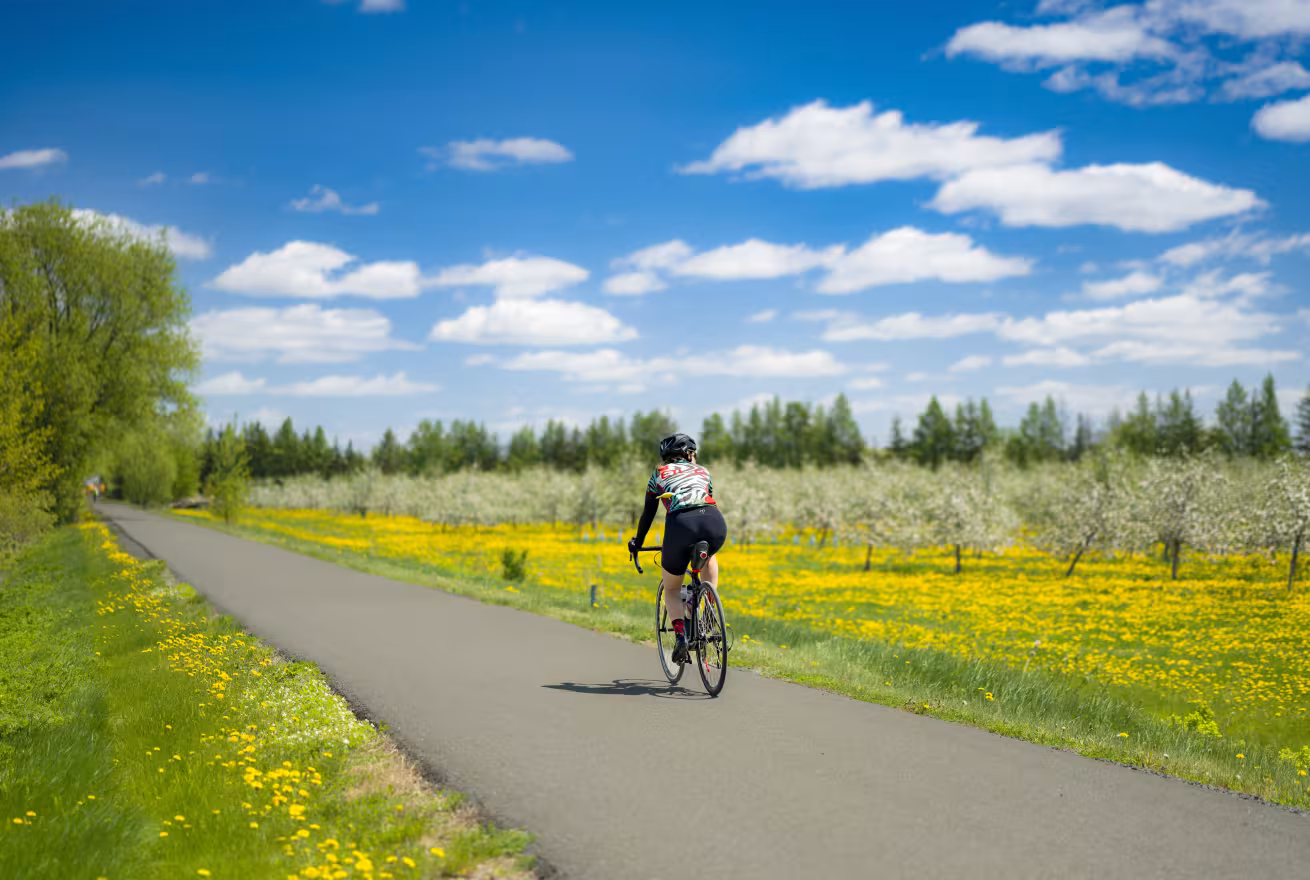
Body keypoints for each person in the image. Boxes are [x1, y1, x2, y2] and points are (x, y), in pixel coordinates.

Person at [627, 433, 727, 664]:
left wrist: (638, 543)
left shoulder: (658, 475)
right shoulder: (704, 471)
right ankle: (709, 606)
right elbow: (705, 497)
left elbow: (648, 514)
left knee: (672, 588)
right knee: (709, 555)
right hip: (714, 522)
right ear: (690, 454)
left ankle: (681, 637)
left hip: (681, 525)